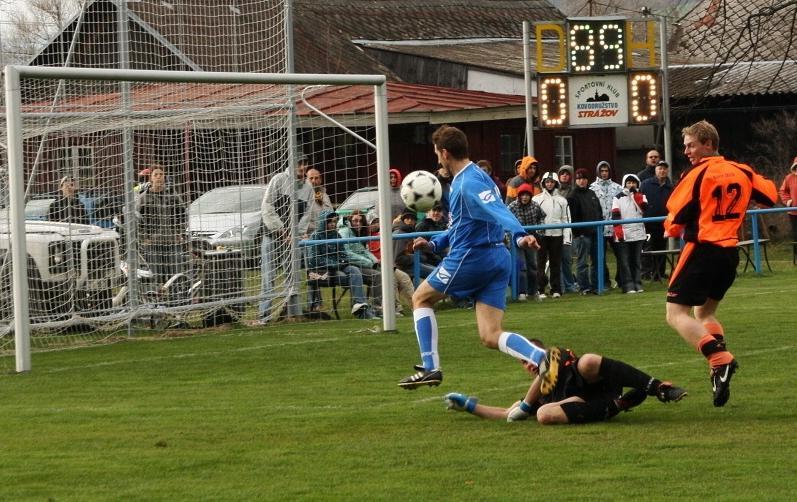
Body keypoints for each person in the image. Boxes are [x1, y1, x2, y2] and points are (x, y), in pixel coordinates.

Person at [398, 125, 556, 393]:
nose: (437, 161)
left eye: (437, 154)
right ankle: (542, 359)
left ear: (445, 153)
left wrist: (519, 234)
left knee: (420, 298)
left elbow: (497, 210)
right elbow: (463, 224)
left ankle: (430, 366)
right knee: (490, 335)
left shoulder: (467, 183)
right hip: (496, 258)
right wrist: (434, 242)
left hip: (473, 257)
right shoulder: (476, 177)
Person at [663, 120, 778, 407]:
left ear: (708, 144)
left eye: (691, 145)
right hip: (729, 252)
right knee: (705, 313)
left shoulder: (696, 174)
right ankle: (718, 369)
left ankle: (719, 358)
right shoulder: (742, 170)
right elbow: (771, 196)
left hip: (702, 249)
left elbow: (675, 216)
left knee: (675, 314)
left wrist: (672, 227)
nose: (687, 151)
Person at [444, 343, 687, 425]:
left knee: (589, 361)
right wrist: (468, 405)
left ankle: (658, 388)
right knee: (543, 415)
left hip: (599, 386)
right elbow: (506, 413)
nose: (528, 365)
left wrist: (527, 405)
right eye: (523, 363)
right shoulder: (540, 391)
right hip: (593, 404)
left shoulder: (556, 359)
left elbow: (555, 356)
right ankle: (621, 404)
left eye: (530, 359)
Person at [258, 155, 313, 323]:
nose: (302, 168)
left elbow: (306, 215)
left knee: (293, 276)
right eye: (299, 164)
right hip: (272, 236)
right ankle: (264, 316)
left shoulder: (308, 188)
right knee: (269, 277)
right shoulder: (278, 180)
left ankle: (295, 314)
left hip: (291, 239)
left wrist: (296, 234)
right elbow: (267, 208)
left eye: (305, 164)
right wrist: (283, 233)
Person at [306, 210, 376, 319]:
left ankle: (360, 305)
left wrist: (342, 262)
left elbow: (343, 253)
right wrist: (335, 264)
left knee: (355, 270)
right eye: (330, 222)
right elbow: (314, 260)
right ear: (323, 222)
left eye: (334, 221)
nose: (333, 224)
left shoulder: (337, 235)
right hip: (323, 272)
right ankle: (363, 311)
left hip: (339, 266)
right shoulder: (315, 236)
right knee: (352, 279)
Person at [135, 165, 188, 293]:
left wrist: (179, 233)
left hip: (172, 242)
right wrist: (144, 238)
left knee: (176, 273)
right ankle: (158, 302)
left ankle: (177, 299)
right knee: (156, 274)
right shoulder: (143, 198)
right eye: (156, 175)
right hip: (152, 244)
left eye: (161, 174)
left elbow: (183, 215)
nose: (159, 177)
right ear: (151, 179)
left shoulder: (173, 196)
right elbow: (137, 220)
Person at [366, 209, 414, 316]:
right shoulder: (365, 237)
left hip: (388, 265)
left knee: (405, 278)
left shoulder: (383, 234)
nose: (376, 224)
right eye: (373, 222)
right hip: (374, 267)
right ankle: (395, 308)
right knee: (391, 279)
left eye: (377, 221)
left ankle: (416, 306)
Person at [532, 172, 572, 299]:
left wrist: (567, 238)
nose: (549, 184)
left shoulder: (562, 200)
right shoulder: (536, 199)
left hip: (557, 235)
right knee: (540, 263)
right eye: (547, 182)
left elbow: (566, 219)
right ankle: (540, 289)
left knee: (556, 263)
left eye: (552, 182)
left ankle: (556, 289)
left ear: (556, 183)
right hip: (541, 236)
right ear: (543, 183)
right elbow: (534, 218)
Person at [337, 210, 382, 312]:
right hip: (348, 266)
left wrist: (375, 261)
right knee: (377, 275)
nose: (358, 223)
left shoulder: (357, 233)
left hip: (359, 264)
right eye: (355, 221)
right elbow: (347, 254)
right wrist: (369, 263)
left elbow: (364, 251)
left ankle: (392, 306)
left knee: (388, 272)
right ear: (350, 220)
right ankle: (377, 307)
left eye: (360, 221)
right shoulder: (344, 232)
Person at [567, 168, 603, 295]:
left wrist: (601, 229)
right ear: (575, 180)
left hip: (595, 233)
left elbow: (599, 211)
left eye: (583, 178)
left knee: (597, 261)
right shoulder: (572, 196)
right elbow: (572, 217)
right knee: (582, 262)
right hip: (582, 235)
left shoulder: (592, 193)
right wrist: (578, 233)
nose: (581, 181)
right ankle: (584, 287)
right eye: (579, 179)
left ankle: (597, 285)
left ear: (587, 180)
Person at [507, 183, 545, 301]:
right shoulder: (512, 207)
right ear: (518, 196)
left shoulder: (535, 206)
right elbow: (506, 222)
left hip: (531, 240)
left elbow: (542, 218)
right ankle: (521, 292)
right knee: (521, 266)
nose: (525, 197)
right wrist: (509, 239)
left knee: (533, 266)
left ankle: (533, 291)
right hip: (517, 240)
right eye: (522, 195)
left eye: (527, 195)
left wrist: (540, 230)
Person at [611, 174, 648, 294]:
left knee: (636, 260)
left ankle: (637, 282)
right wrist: (619, 232)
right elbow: (615, 215)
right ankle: (627, 284)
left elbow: (645, 209)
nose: (631, 185)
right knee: (625, 261)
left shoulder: (642, 196)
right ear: (624, 184)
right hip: (624, 234)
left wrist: (636, 196)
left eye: (633, 182)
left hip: (638, 233)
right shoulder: (617, 198)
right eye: (629, 183)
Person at [590, 160, 623, 290]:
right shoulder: (592, 188)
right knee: (600, 257)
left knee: (621, 255)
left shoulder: (617, 187)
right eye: (602, 171)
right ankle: (604, 282)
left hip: (615, 227)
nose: (604, 173)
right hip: (600, 228)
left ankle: (621, 279)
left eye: (606, 171)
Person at [640, 160, 674, 280]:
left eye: (665, 168)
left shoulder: (670, 187)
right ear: (655, 170)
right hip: (648, 224)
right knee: (647, 248)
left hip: (663, 224)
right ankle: (646, 273)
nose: (662, 171)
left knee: (661, 248)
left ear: (667, 170)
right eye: (660, 168)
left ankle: (659, 273)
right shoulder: (645, 184)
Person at [393, 210, 436, 280]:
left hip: (411, 263)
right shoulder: (399, 234)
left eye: (412, 219)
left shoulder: (410, 232)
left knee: (437, 270)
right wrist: (417, 257)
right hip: (403, 267)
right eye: (407, 218)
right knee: (436, 273)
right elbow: (398, 259)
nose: (410, 221)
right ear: (403, 220)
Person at [557, 165, 578, 293]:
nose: (564, 176)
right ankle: (560, 285)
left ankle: (569, 283)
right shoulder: (555, 192)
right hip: (555, 228)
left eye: (567, 174)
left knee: (567, 259)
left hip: (569, 229)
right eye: (562, 174)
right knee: (556, 260)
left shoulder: (574, 192)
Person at [300, 167, 333, 238]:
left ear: (320, 180)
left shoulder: (325, 196)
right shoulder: (301, 196)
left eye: (316, 178)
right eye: (311, 178)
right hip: (309, 236)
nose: (313, 181)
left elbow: (331, 214)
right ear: (306, 180)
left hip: (325, 235)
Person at [778, 156, 797, 245]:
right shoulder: (789, 178)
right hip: (794, 212)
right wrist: (788, 201)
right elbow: (782, 191)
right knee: (796, 235)